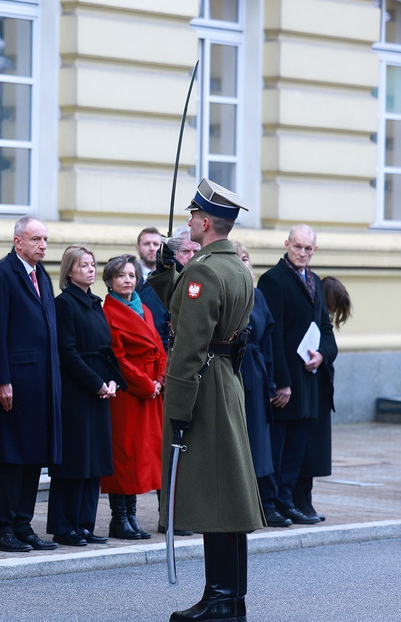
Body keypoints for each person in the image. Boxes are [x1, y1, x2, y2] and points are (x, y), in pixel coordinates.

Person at [150, 178, 264, 622]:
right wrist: (164, 271)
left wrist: (177, 411)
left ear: (203, 221)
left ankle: (220, 599)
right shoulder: (234, 266)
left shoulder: (202, 270)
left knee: (215, 495)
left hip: (203, 386)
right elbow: (191, 308)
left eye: (191, 216)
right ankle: (230, 598)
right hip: (225, 382)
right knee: (228, 493)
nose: (188, 222)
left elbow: (189, 347)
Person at [0, 216, 61, 553]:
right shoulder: (2, 275)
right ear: (18, 242)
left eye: (45, 239)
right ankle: (0, 528)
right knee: (11, 457)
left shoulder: (41, 274)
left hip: (41, 383)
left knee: (33, 456)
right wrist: (1, 380)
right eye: (36, 239)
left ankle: (22, 524)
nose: (43, 245)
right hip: (14, 383)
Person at [257, 225, 336, 527]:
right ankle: (270, 503)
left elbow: (325, 329)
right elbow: (271, 334)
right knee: (277, 448)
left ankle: (288, 501)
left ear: (315, 250)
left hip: (309, 379)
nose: (302, 253)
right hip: (286, 381)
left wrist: (323, 355)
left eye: (308, 248)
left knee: (296, 450)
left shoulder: (314, 280)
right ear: (286, 244)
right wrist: (282, 382)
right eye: (297, 246)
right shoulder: (273, 280)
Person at [47, 245, 122, 547]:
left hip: (100, 387)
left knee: (95, 459)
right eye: (83, 265)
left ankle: (85, 523)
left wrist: (115, 380)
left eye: (92, 265)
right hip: (77, 390)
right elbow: (68, 351)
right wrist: (96, 383)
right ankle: (65, 526)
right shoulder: (65, 303)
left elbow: (107, 348)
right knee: (75, 459)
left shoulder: (95, 303)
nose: (91, 270)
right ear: (70, 271)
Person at [100, 254, 165, 540]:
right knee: (125, 454)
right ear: (110, 281)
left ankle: (133, 515)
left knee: (144, 455)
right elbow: (117, 357)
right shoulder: (109, 312)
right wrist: (146, 384)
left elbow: (159, 347)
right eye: (121, 276)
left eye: (131, 275)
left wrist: (160, 378)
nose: (128, 280)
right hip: (129, 391)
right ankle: (120, 517)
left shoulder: (144, 308)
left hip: (151, 388)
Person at [295, 276, 351, 521]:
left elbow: (331, 347)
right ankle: (299, 501)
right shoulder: (309, 313)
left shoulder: (321, 320)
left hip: (319, 391)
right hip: (306, 390)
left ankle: (305, 501)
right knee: (303, 452)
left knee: (313, 453)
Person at [234, 242, 279, 525]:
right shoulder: (228, 293)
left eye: (246, 258)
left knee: (260, 441)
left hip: (257, 370)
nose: (243, 264)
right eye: (237, 259)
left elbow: (269, 341)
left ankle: (266, 501)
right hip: (235, 369)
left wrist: (272, 382)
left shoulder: (258, 295)